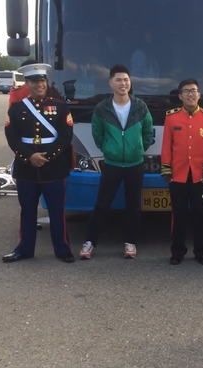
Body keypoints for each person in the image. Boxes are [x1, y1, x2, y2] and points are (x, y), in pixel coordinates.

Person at [2, 63, 75, 263]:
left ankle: (62, 249)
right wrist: (29, 157)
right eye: (35, 81)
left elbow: (66, 136)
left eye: (42, 80)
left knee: (57, 212)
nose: (39, 84)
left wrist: (47, 156)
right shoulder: (16, 108)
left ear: (46, 82)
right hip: (26, 168)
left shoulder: (60, 106)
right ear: (27, 84)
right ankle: (24, 249)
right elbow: (12, 137)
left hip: (54, 167)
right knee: (27, 211)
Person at [79, 64, 153, 259]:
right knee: (102, 204)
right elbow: (98, 135)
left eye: (126, 80)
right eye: (119, 80)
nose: (123, 83)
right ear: (111, 83)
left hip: (135, 164)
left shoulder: (140, 106)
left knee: (133, 205)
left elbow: (147, 134)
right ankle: (89, 243)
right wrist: (110, 150)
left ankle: (130, 243)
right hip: (111, 164)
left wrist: (137, 149)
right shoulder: (102, 108)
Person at [161, 79, 203, 265]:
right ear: (180, 96)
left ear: (199, 94)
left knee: (201, 216)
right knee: (178, 216)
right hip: (177, 175)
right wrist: (166, 168)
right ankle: (177, 252)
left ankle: (201, 252)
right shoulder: (172, 117)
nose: (190, 94)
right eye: (186, 91)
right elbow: (166, 146)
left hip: (201, 175)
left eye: (194, 91)